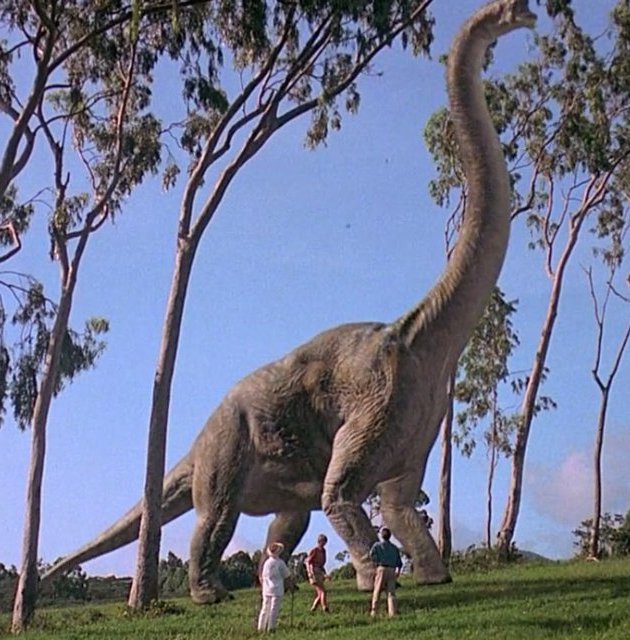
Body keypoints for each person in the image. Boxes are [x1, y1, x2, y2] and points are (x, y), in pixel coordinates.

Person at [369, 527, 403, 618]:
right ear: (390, 536)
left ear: (381, 536)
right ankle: (392, 612)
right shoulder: (394, 547)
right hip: (392, 570)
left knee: (377, 590)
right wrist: (398, 572)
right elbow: (399, 562)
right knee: (391, 593)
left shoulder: (377, 545)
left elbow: (371, 555)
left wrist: (376, 562)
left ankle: (374, 611)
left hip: (382, 568)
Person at [257, 542, 291, 632]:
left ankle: (261, 627)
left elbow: (262, 576)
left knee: (265, 608)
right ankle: (271, 627)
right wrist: (290, 585)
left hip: (266, 589)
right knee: (274, 609)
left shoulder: (266, 563)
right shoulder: (280, 563)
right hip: (277, 589)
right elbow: (287, 575)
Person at [305, 533, 330, 612]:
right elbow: (308, 562)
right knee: (322, 591)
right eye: (322, 541)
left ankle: (313, 608)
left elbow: (322, 564)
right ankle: (324, 607)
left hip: (320, 571)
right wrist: (310, 573)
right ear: (319, 542)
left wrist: (325, 574)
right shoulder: (314, 551)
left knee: (320, 593)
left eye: (324, 542)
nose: (323, 544)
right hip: (314, 571)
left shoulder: (323, 551)